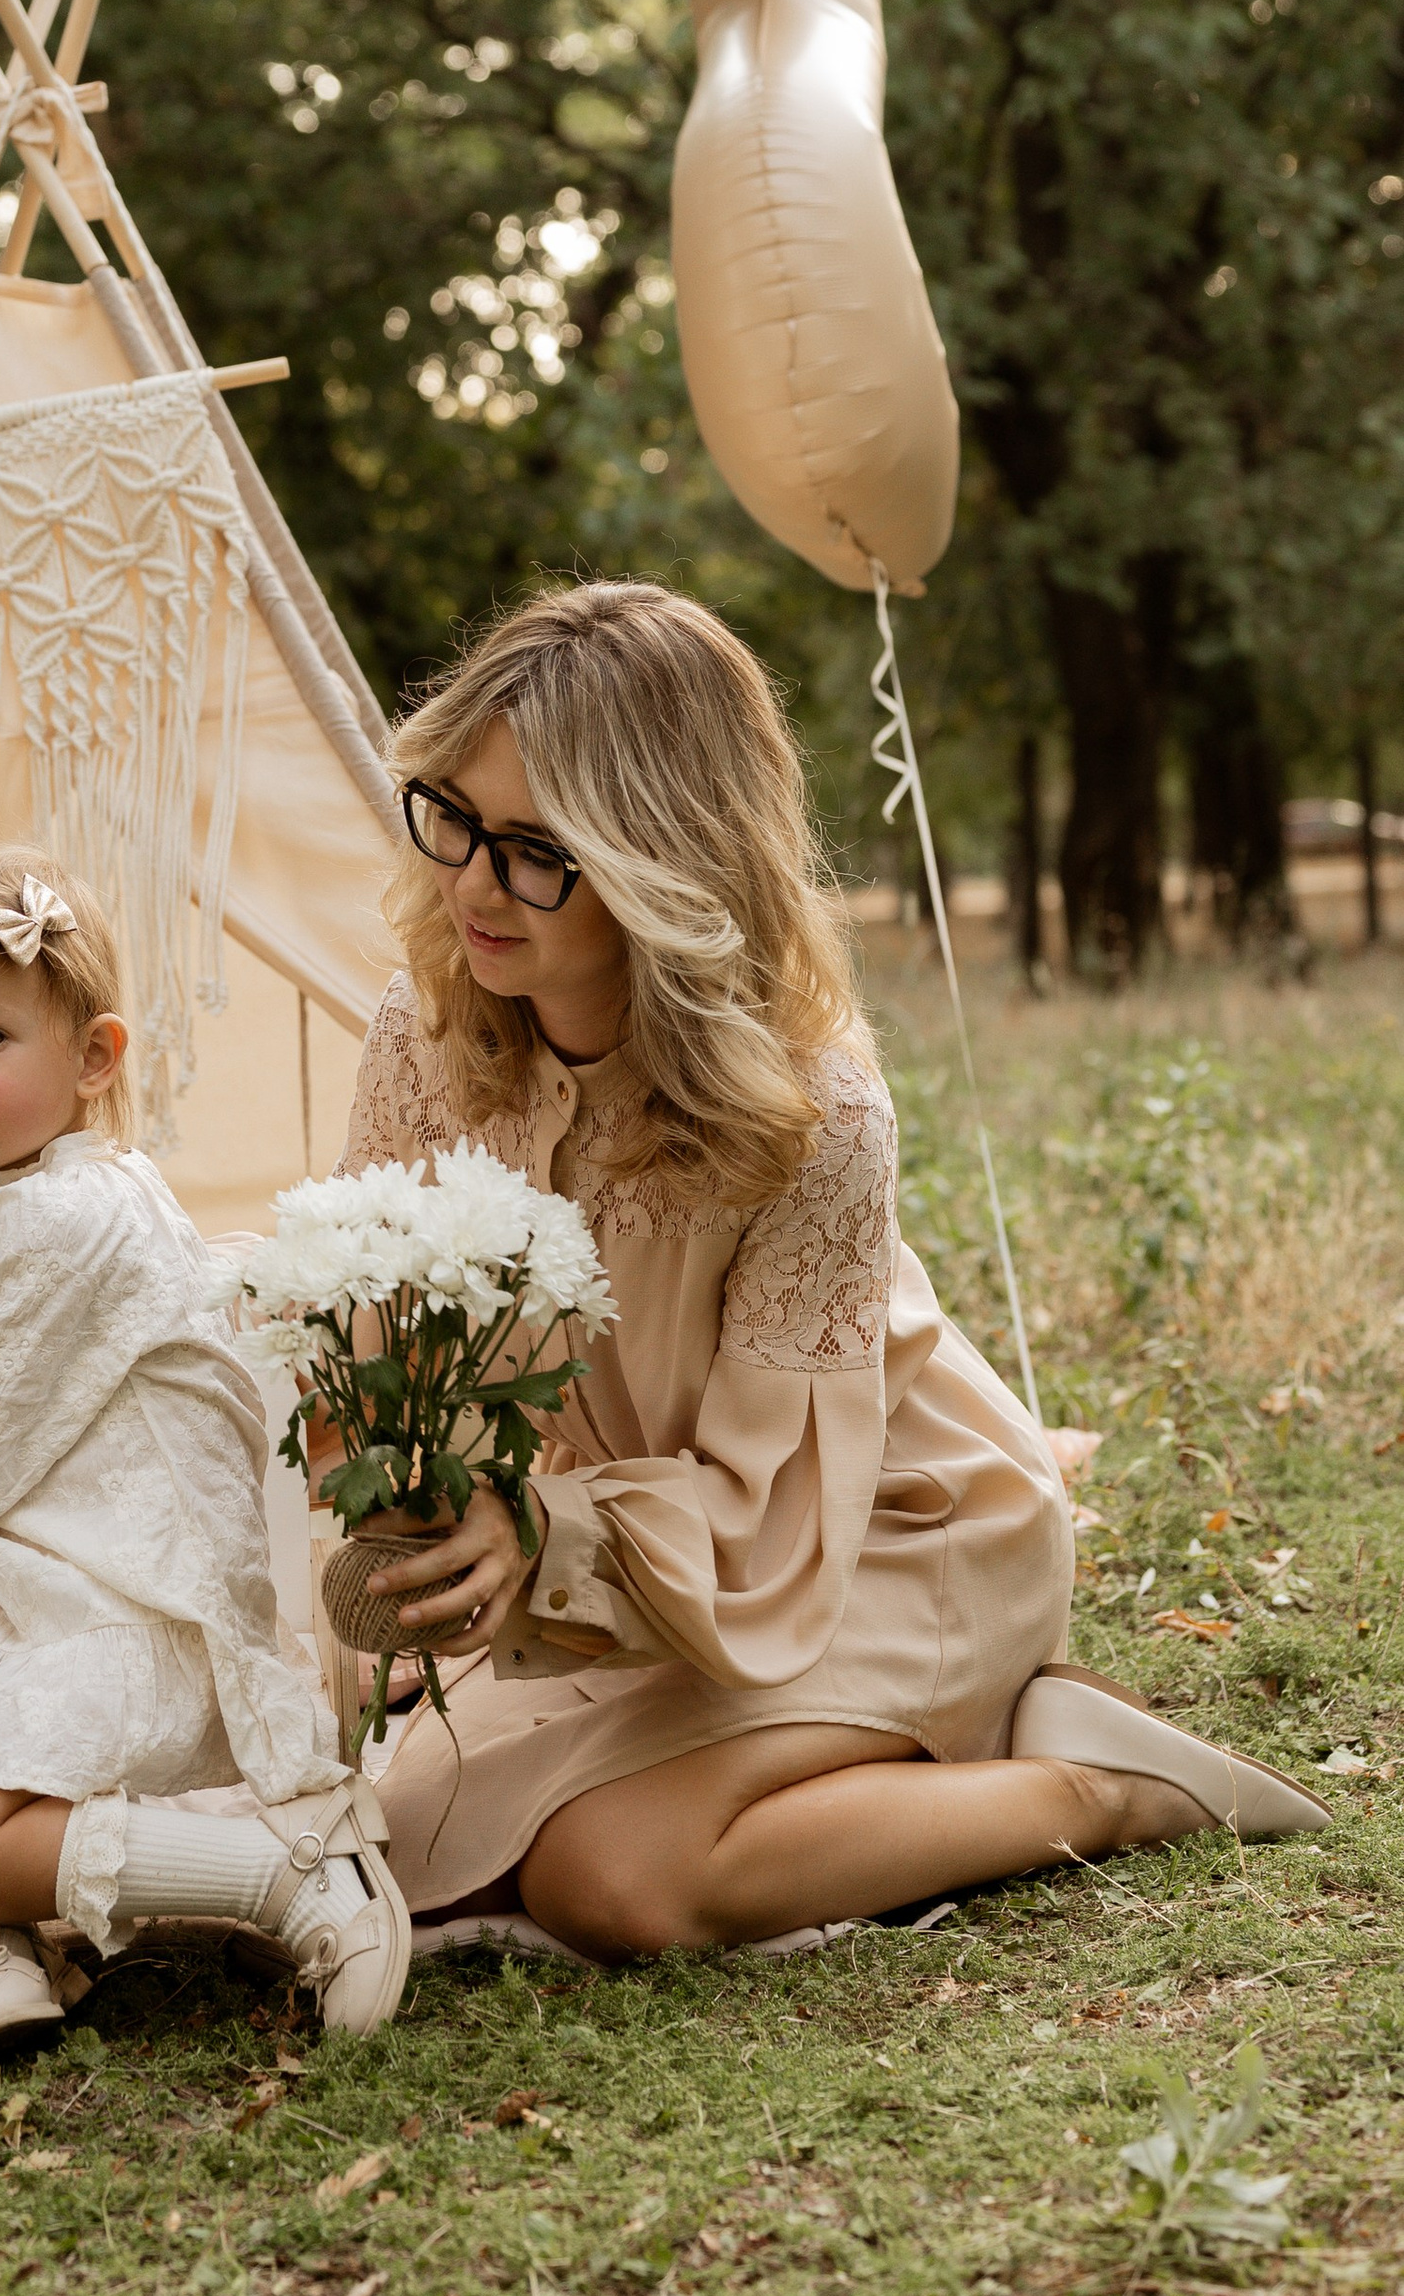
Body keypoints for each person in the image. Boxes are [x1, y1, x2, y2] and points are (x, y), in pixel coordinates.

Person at [329, 577, 1324, 1957]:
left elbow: (774, 1501)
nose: (473, 885)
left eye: (537, 850)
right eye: (452, 816)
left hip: (882, 1534)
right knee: (389, 1831)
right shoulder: (422, 1033)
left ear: (664, 858)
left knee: (614, 1878)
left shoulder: (811, 1113)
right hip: (644, 1556)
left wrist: (543, 1535)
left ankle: (1093, 1787)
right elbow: (377, 1340)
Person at [0, 846, 409, 2077]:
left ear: (94, 1057)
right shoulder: (59, 1190)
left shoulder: (57, 1216)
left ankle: (286, 1873)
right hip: (62, 1587)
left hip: (147, 1620)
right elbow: (107, 1295)